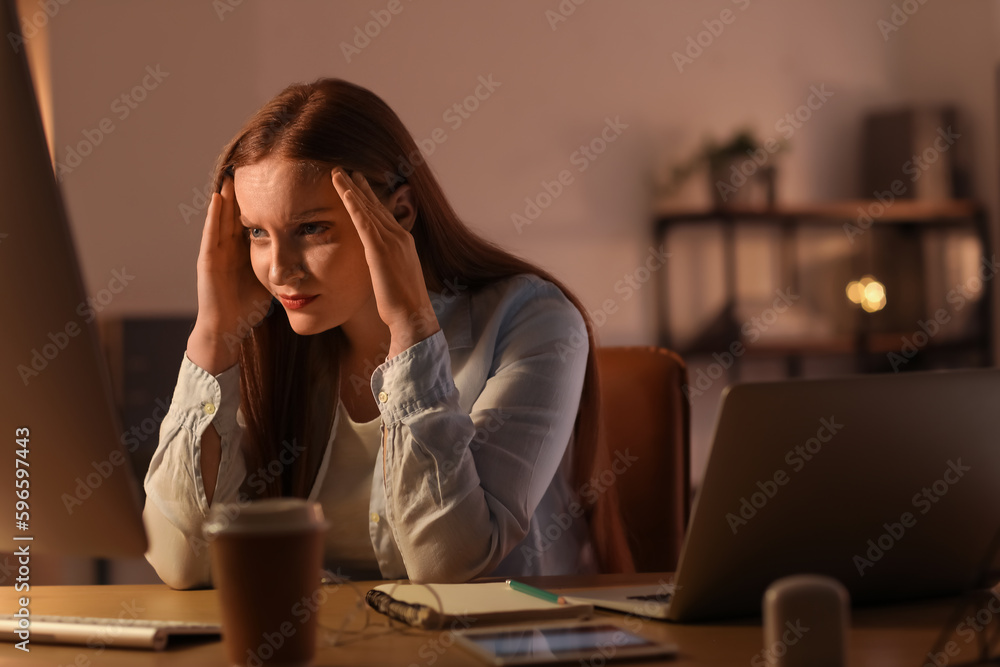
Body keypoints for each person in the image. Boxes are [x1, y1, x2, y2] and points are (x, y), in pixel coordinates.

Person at [142, 78, 633, 589]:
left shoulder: (533, 321)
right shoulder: (269, 338)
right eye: (257, 233)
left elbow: (449, 566)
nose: (280, 268)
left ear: (398, 214)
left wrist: (412, 330)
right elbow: (182, 562)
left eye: (311, 229)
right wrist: (213, 333)